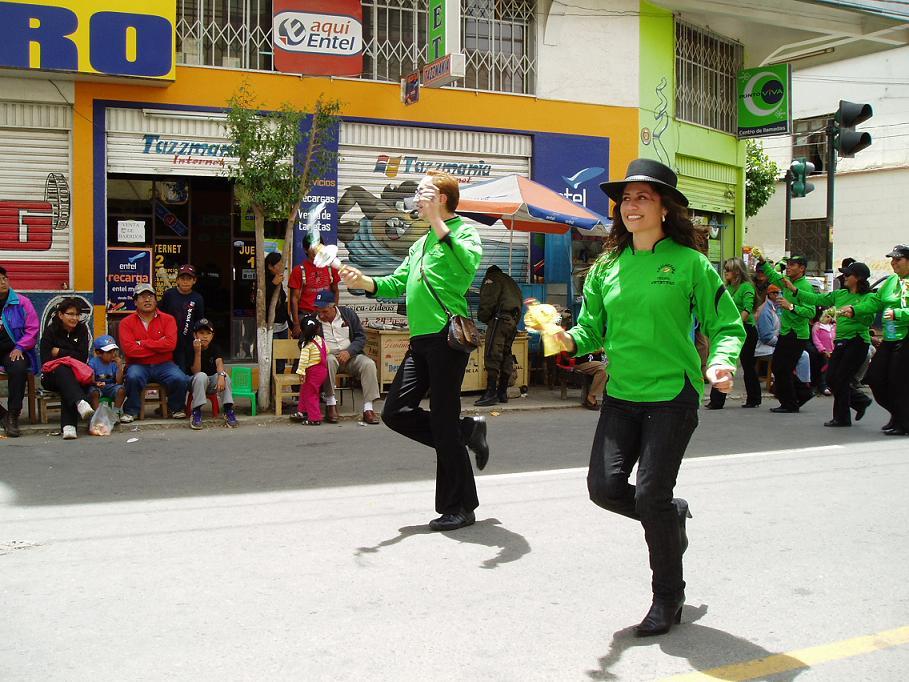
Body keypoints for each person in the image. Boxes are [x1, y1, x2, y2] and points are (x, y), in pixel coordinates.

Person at [551, 159, 745, 636]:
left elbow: (726, 324)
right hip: (622, 393)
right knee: (605, 488)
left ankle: (668, 597)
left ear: (665, 208)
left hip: (672, 393)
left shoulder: (690, 264)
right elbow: (591, 328)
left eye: (643, 197)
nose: (631, 205)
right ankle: (669, 515)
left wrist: (721, 362)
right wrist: (565, 338)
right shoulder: (606, 267)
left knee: (651, 491)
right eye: (626, 198)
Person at [338, 171, 489, 532]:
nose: (416, 199)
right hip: (420, 340)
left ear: (441, 198)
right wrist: (365, 281)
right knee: (396, 412)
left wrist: (438, 221)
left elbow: (467, 264)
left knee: (442, 421)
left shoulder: (463, 233)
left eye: (422, 193)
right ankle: (466, 431)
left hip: (447, 338)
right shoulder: (420, 244)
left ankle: (460, 507)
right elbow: (398, 282)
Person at [783, 261, 874, 427]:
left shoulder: (868, 298)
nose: (844, 277)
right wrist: (795, 290)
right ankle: (860, 401)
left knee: (842, 378)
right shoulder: (840, 294)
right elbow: (817, 298)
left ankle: (842, 418)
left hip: (857, 341)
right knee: (831, 378)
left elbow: (869, 320)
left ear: (858, 278)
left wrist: (853, 312)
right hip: (840, 341)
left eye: (847, 274)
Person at [841, 245, 909, 435]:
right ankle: (898, 415)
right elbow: (875, 301)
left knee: (898, 381)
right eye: (892, 259)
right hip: (890, 337)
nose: (893, 263)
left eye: (898, 259)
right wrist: (854, 309)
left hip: (906, 337)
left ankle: (903, 422)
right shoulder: (892, 281)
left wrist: (899, 314)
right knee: (876, 378)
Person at [118, 283, 189, 423]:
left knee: (180, 378)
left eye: (150, 296)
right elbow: (130, 350)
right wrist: (158, 346)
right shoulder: (126, 323)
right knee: (133, 377)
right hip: (138, 364)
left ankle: (176, 408)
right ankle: (131, 411)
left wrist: (143, 343)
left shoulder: (168, 319)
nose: (147, 300)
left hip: (164, 363)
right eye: (142, 297)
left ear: (156, 300)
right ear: (135, 302)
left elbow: (170, 345)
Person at [313, 289, 381, 425]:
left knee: (368, 364)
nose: (321, 315)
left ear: (333, 306)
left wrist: (349, 351)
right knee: (328, 360)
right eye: (318, 311)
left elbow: (361, 337)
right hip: (330, 357)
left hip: (351, 356)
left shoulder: (348, 314)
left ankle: (368, 408)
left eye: (324, 311)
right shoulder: (313, 321)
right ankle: (331, 403)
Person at [757, 255, 816, 413]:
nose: (788, 267)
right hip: (786, 332)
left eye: (792, 265)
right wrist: (762, 261)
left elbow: (811, 312)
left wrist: (791, 307)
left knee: (783, 368)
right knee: (779, 367)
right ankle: (802, 394)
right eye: (788, 264)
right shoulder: (787, 282)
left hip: (797, 334)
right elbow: (773, 276)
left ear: (802, 268)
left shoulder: (805, 287)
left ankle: (790, 403)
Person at [706, 258, 760, 409]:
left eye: (728, 270)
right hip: (731, 328)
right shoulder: (728, 288)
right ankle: (716, 400)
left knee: (748, 365)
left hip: (746, 329)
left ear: (737, 272)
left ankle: (754, 398)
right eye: (725, 269)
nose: (725, 272)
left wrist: (736, 326)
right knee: (724, 361)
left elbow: (747, 309)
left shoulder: (747, 287)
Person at [39, 298, 95, 440]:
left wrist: (60, 352)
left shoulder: (82, 330)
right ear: (60, 315)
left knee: (67, 380)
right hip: (51, 376)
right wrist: (69, 356)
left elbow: (82, 357)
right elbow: (46, 360)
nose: (74, 318)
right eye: (70, 314)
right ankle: (79, 404)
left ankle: (69, 426)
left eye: (77, 315)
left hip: (75, 375)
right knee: (62, 370)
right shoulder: (50, 332)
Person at [475, 264, 523, 406]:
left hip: (499, 320)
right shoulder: (510, 281)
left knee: (492, 353)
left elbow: (488, 300)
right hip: (512, 322)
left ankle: (490, 393)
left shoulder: (492, 278)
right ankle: (502, 392)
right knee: (506, 354)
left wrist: (483, 317)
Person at [0, 265, 39, 437]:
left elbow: (32, 330)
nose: (3, 282)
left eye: (4, 278)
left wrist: (20, 347)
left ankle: (13, 415)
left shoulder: (22, 303)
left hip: (14, 350)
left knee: (18, 368)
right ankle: (2, 414)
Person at [288, 231, 340, 339]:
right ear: (305, 249)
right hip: (306, 316)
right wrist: (296, 324)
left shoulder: (331, 268)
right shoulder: (298, 270)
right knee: (308, 346)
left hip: (326, 316)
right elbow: (294, 299)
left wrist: (334, 313)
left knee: (328, 345)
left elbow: (335, 291)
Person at [188, 318, 238, 430]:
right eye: (201, 333)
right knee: (201, 376)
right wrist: (197, 352)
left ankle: (228, 409)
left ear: (212, 336)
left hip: (211, 384)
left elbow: (219, 362)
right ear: (195, 335)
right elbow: (196, 371)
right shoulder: (190, 348)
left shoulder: (215, 347)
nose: (205, 336)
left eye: (208, 333)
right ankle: (196, 411)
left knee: (225, 376)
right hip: (195, 384)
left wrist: (221, 375)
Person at [160, 264, 205, 374]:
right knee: (171, 371)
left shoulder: (198, 298)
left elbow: (199, 321)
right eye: (182, 278)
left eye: (189, 279)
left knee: (186, 371)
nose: (185, 282)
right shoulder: (169, 295)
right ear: (177, 280)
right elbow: (160, 315)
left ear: (194, 281)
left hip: (188, 342)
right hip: (170, 340)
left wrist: (198, 339)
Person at [292, 316, 328, 425]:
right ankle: (302, 411)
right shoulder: (321, 340)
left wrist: (301, 373)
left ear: (302, 330)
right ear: (317, 329)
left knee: (310, 394)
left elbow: (303, 361)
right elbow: (327, 350)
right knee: (305, 390)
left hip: (312, 372)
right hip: (322, 370)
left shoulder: (306, 344)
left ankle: (315, 418)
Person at [264, 252, 291, 375]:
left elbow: (282, 306)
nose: (281, 268)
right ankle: (270, 385)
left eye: (282, 265)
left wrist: (291, 324)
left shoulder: (279, 280)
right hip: (271, 327)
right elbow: (262, 302)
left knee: (281, 360)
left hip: (283, 326)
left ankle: (278, 384)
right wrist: (272, 284)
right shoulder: (264, 281)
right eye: (278, 265)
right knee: (272, 359)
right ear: (270, 266)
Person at [87, 335, 126, 417]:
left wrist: (119, 366)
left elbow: (119, 382)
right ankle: (97, 415)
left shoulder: (114, 363)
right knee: (94, 393)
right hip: (96, 387)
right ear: (98, 353)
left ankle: (116, 413)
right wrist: (96, 383)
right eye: (109, 352)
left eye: (114, 351)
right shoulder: (93, 363)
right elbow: (91, 380)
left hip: (110, 387)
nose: (113, 355)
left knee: (121, 390)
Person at [809, 311, 836, 395]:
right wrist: (823, 350)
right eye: (827, 316)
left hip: (833, 350)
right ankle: (823, 386)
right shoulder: (817, 326)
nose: (829, 318)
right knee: (824, 366)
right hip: (822, 351)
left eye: (831, 316)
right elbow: (816, 340)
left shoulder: (834, 326)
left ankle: (832, 385)